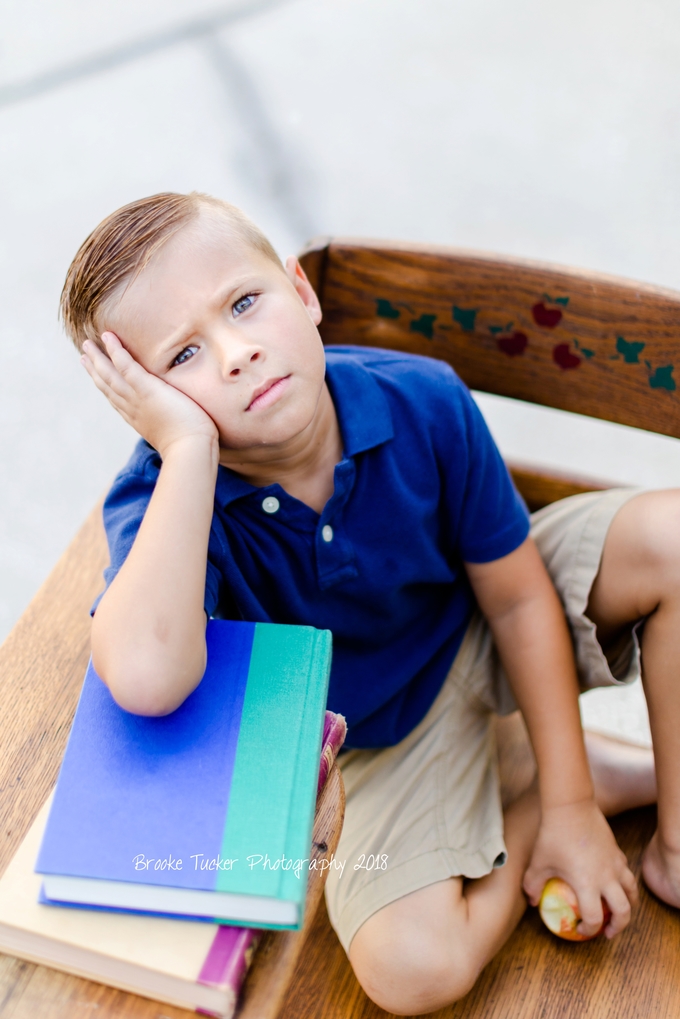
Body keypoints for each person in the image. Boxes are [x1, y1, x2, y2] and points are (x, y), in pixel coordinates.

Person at [61, 191, 675, 1015]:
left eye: (244, 303)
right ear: (144, 402)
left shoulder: (419, 397)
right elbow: (144, 677)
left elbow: (523, 599)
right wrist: (186, 449)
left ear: (300, 294)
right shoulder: (167, 497)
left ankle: (651, 829)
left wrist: (571, 805)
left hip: (485, 625)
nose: (238, 352)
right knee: (409, 970)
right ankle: (537, 803)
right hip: (370, 746)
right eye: (183, 357)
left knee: (671, 534)